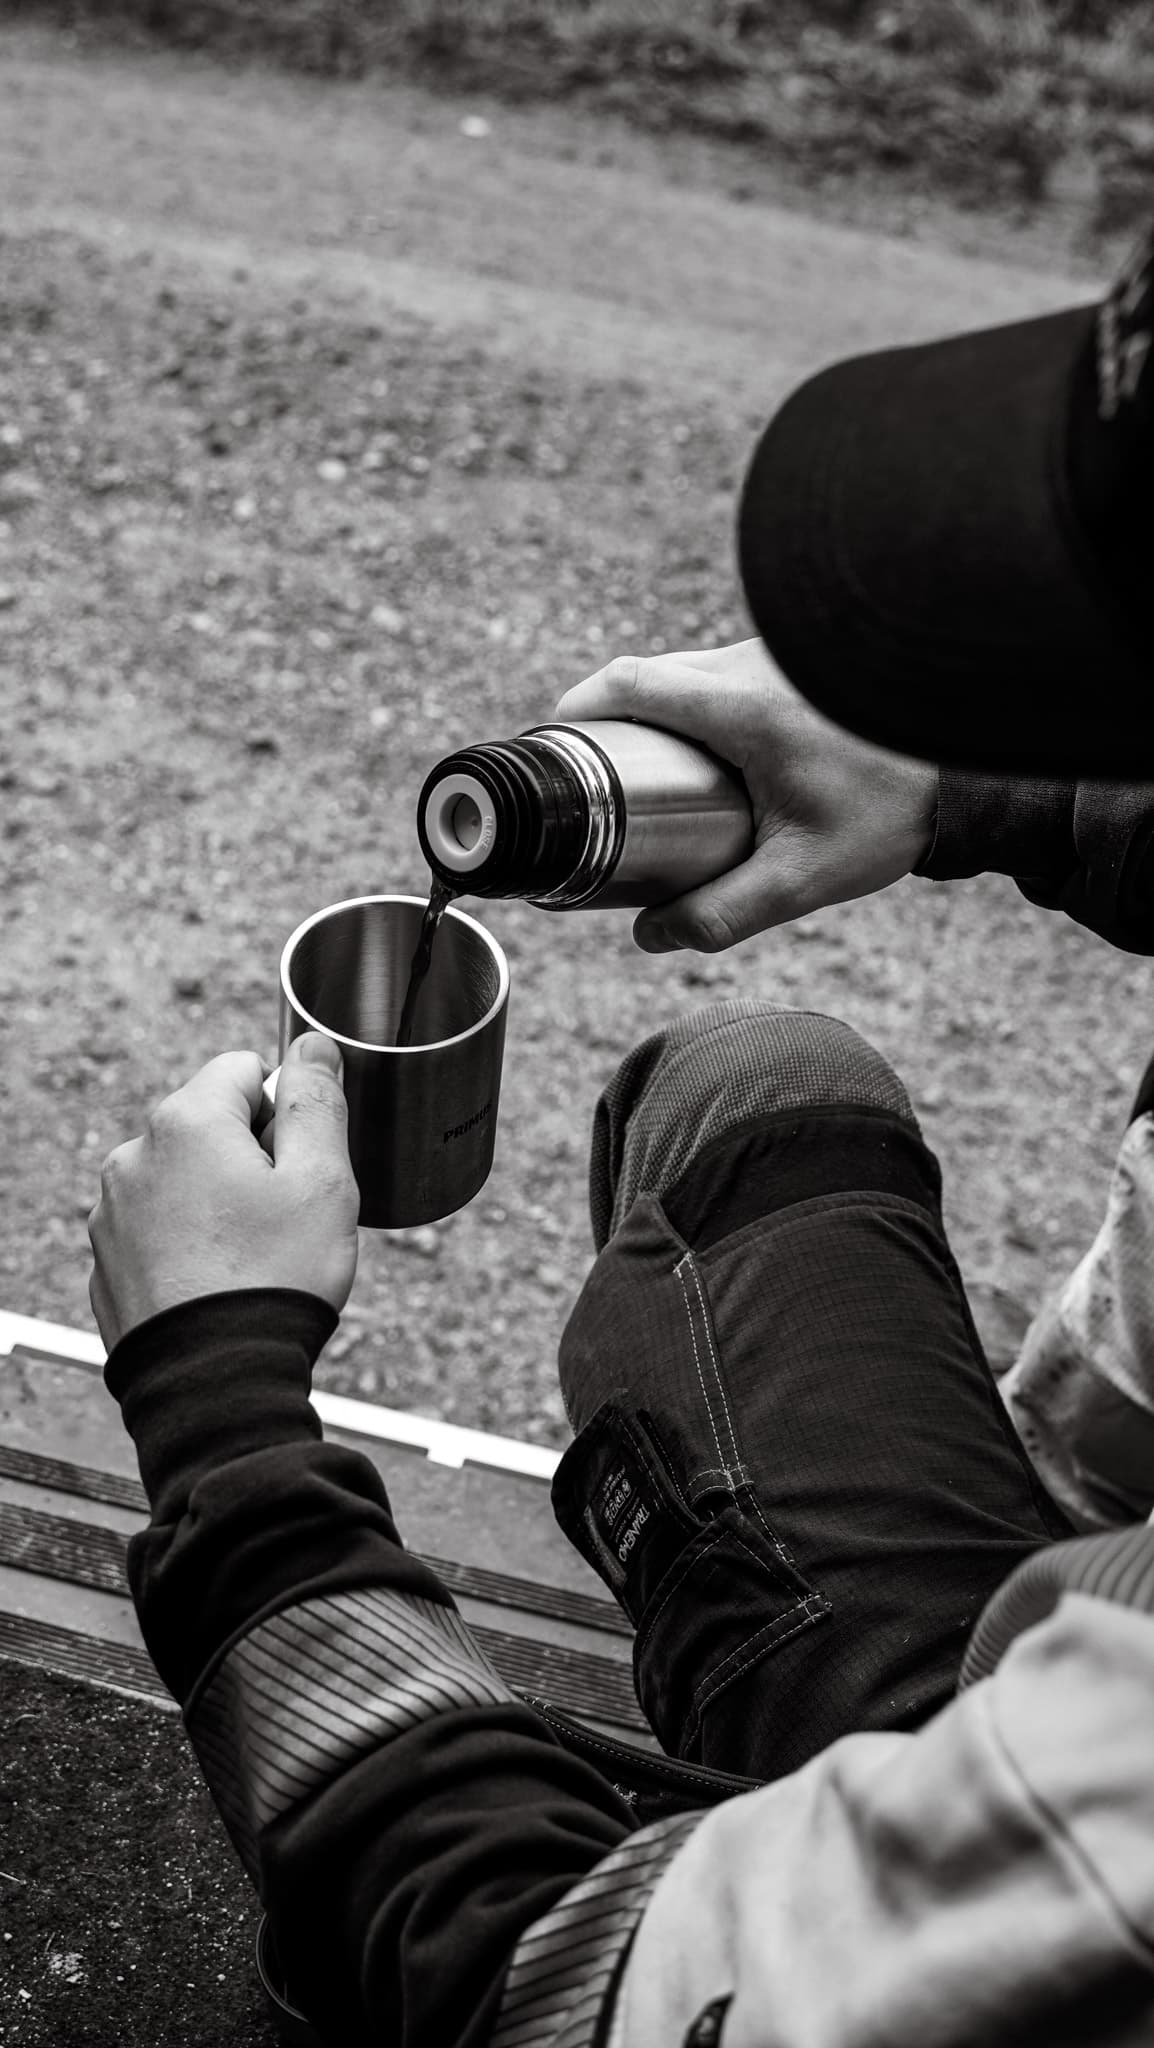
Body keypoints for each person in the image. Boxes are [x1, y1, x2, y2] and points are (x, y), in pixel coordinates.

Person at [89, 227, 1154, 2048]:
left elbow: (511, 1976)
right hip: (1091, 1612)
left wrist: (220, 1415)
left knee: (362, 1943)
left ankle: (761, 1773)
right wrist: (989, 778)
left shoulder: (1106, 1821)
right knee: (754, 1081)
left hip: (1023, 1787)